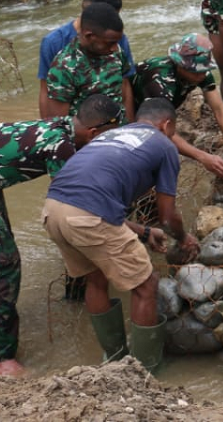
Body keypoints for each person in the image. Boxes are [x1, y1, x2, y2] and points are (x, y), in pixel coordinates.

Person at [0, 94, 121, 377]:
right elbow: (70, 205)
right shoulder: (61, 145)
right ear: (94, 132)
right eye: (107, 137)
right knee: (0, 264)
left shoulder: (64, 126)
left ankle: (3, 315)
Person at [42, 98, 200, 371]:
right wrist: (183, 237)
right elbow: (167, 215)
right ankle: (142, 371)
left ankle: (114, 360)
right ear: (167, 125)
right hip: (87, 216)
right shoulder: (164, 145)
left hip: (52, 210)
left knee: (97, 279)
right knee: (146, 284)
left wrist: (144, 231)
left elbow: (93, 198)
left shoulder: (112, 135)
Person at [131, 34, 223, 180]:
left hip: (154, 111)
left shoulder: (200, 73)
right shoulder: (161, 81)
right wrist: (203, 157)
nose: (202, 75)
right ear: (180, 65)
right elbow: (160, 130)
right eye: (197, 72)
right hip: (130, 109)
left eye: (204, 70)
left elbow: (219, 109)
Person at [38, 0, 135, 118]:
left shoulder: (115, 40)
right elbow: (46, 92)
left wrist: (131, 126)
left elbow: (124, 83)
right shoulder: (55, 45)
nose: (113, 48)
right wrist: (48, 129)